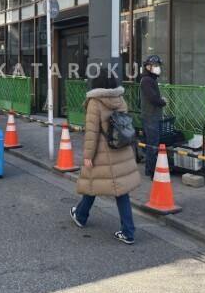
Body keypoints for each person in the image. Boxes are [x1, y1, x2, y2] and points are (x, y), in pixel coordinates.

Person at [69, 67, 141, 245]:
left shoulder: (95, 102)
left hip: (102, 152)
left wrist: (88, 156)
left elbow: (92, 133)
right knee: (115, 189)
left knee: (94, 182)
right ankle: (82, 215)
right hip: (121, 148)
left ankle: (126, 231)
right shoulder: (120, 98)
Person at [140, 55, 169, 178]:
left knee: (152, 144)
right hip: (150, 117)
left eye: (158, 65)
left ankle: (149, 169)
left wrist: (160, 100)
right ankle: (152, 171)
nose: (157, 68)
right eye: (155, 65)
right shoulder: (147, 80)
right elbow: (152, 98)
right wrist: (162, 102)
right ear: (148, 67)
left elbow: (152, 96)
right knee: (153, 145)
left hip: (152, 116)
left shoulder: (150, 80)